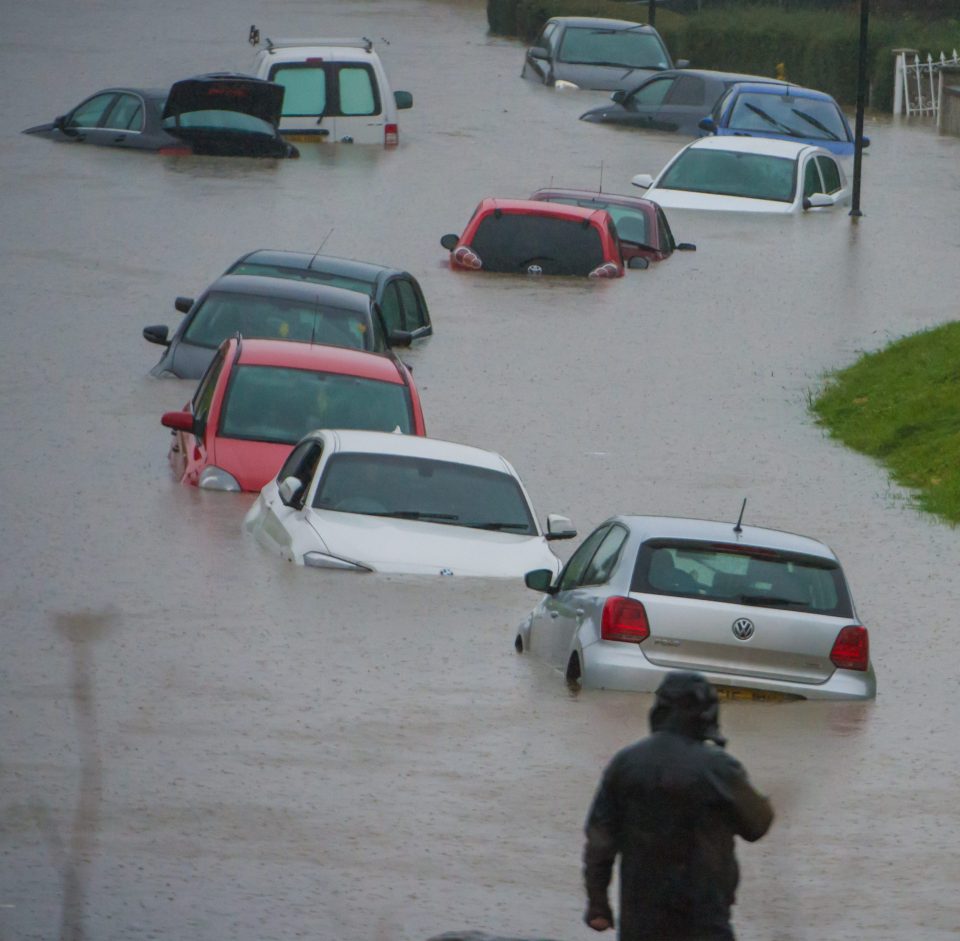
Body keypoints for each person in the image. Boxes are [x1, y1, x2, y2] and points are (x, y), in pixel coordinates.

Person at [583, 672, 774, 941]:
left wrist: (598, 904)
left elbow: (599, 842)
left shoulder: (624, 764)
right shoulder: (719, 768)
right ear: (706, 714)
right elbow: (757, 825)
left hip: (640, 922)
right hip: (705, 920)